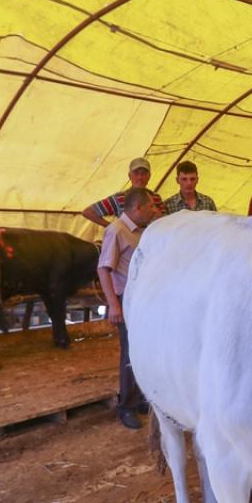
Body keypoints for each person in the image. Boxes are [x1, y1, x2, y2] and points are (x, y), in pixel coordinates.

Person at [97, 187, 161, 429]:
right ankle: (126, 406)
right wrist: (114, 305)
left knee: (144, 349)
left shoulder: (140, 231)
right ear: (138, 208)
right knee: (129, 352)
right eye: (151, 207)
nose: (154, 211)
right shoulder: (116, 231)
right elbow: (104, 269)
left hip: (141, 298)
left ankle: (141, 398)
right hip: (126, 298)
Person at [83, 157, 165, 227]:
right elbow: (88, 212)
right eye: (136, 173)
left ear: (149, 176)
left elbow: (164, 221)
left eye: (144, 173)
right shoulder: (119, 198)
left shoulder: (156, 198)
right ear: (129, 176)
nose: (140, 177)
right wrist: (112, 227)